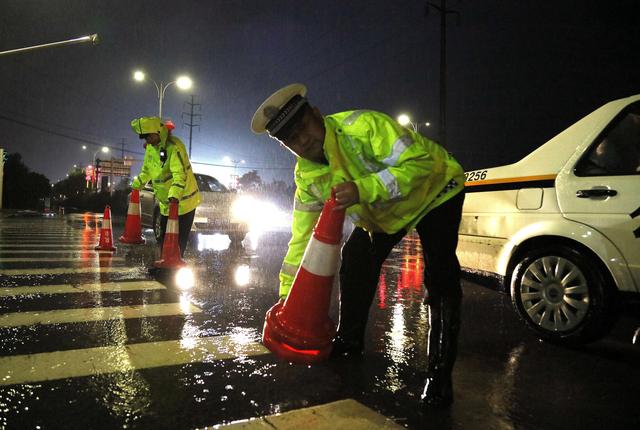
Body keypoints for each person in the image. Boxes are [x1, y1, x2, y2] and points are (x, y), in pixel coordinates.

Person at [251, 83, 466, 408]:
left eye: (305, 127)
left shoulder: (364, 127)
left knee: (440, 274)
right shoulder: (307, 179)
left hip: (437, 188)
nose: (304, 140)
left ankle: (439, 374)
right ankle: (349, 341)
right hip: (385, 214)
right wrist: (287, 298)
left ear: (317, 115)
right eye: (292, 139)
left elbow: (420, 164)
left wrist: (363, 189)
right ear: (286, 146)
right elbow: (302, 240)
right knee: (355, 264)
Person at [130, 116, 201, 256]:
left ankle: (173, 268)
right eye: (145, 138)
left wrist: (174, 195)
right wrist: (137, 184)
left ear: (158, 132)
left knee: (178, 241)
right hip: (167, 204)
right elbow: (147, 171)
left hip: (184, 203)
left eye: (149, 137)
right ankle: (164, 266)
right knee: (163, 238)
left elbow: (180, 175)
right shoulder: (151, 149)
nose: (147, 141)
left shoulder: (174, 147)